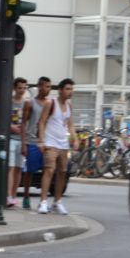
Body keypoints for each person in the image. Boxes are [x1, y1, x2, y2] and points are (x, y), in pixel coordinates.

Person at [36, 78, 77, 215]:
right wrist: (41, 141)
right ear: (60, 90)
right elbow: (41, 122)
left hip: (63, 144)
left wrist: (74, 139)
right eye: (67, 89)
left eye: (71, 89)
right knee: (49, 170)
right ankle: (43, 202)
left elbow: (70, 124)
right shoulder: (50, 103)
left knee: (62, 172)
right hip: (50, 142)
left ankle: (57, 202)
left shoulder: (69, 106)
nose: (70, 92)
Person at [20, 76, 52, 208]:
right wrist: (24, 143)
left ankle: (42, 200)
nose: (48, 89)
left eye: (50, 87)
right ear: (39, 87)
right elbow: (23, 123)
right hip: (32, 141)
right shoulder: (30, 103)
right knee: (30, 171)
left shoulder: (51, 104)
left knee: (47, 171)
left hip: (47, 142)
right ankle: (26, 196)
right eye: (46, 86)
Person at [6, 77, 31, 207]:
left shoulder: (27, 103)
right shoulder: (9, 102)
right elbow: (3, 118)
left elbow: (28, 122)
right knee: (10, 168)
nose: (22, 90)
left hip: (21, 139)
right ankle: (8, 195)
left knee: (18, 168)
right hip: (10, 138)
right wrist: (10, 127)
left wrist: (25, 140)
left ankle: (14, 196)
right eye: (20, 88)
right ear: (15, 88)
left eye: (24, 88)